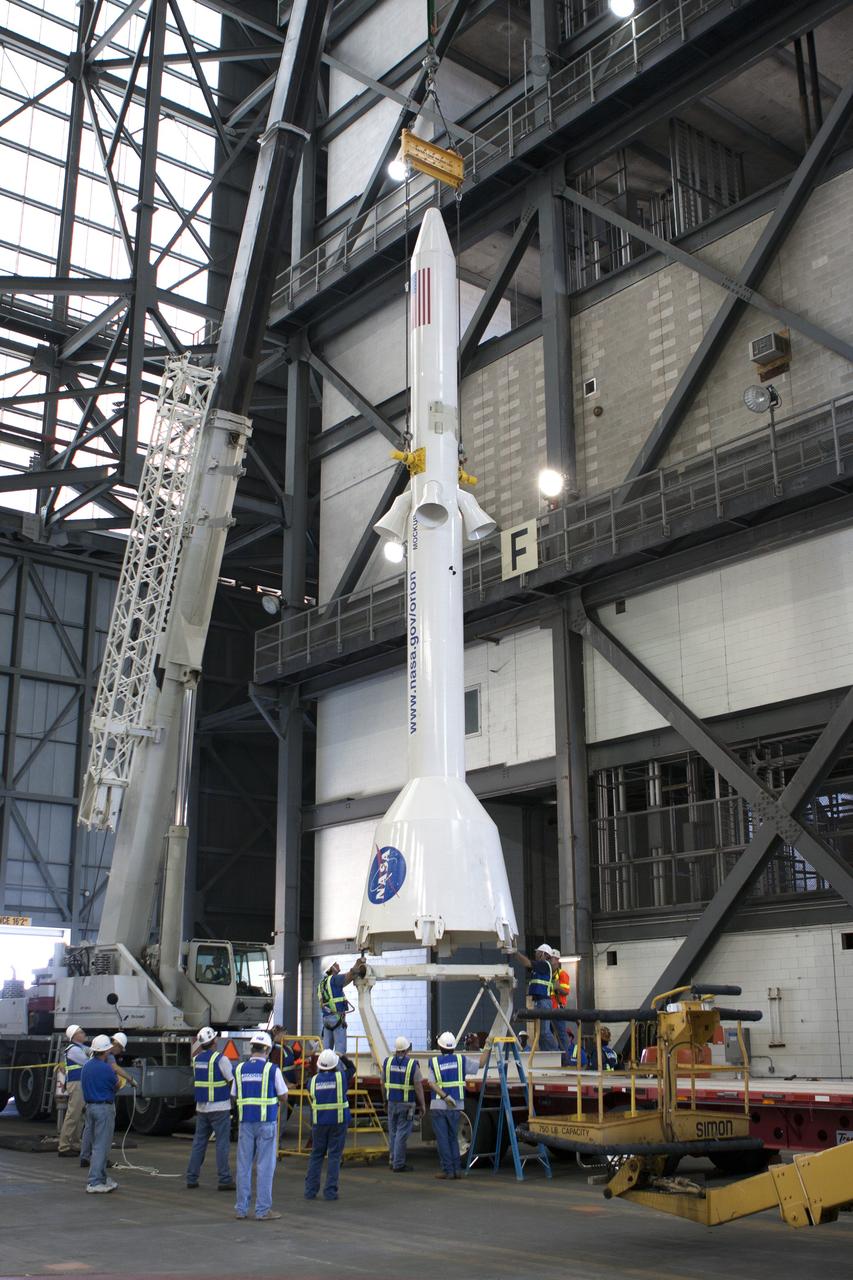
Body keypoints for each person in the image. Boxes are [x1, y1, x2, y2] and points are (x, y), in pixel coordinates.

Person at [232, 1030, 288, 1221]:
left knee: (243, 1166)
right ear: (268, 1049)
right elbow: (283, 1095)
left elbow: (234, 1094)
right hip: (266, 1124)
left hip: (245, 1122)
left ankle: (241, 1209)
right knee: (265, 1167)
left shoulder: (239, 1069)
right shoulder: (272, 1070)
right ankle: (263, 1210)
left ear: (252, 1048)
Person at [428, 1031, 489, 1180]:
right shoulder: (461, 1061)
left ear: (440, 1047)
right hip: (456, 1105)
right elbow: (481, 1063)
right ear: (454, 1047)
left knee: (442, 1139)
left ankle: (448, 1171)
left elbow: (431, 1083)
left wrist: (444, 1096)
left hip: (439, 1105)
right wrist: (488, 1044)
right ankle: (456, 1170)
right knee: (453, 1138)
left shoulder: (434, 1062)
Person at [185, 1026, 235, 1192]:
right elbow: (231, 1081)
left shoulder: (197, 1059)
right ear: (214, 1041)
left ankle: (191, 1178)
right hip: (220, 1107)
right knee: (222, 1144)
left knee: (199, 1143)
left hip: (202, 1107)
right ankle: (224, 1179)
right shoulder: (221, 1059)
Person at [304, 1048, 354, 1202]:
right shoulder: (341, 1078)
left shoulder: (312, 1082)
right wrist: (342, 1057)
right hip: (338, 1123)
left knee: (316, 1155)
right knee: (334, 1157)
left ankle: (310, 1191)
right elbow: (352, 1069)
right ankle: (330, 1192)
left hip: (319, 1124)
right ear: (335, 1064)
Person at [80, 1031, 133, 1167]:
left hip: (90, 1104)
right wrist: (129, 1079)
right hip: (103, 1105)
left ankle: (85, 1157)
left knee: (89, 1130)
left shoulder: (87, 1066)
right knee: (102, 1138)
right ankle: (99, 1166)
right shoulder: (107, 1065)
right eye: (119, 1048)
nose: (116, 1051)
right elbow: (115, 1083)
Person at [80, 1034, 119, 1193]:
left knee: (95, 1141)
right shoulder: (106, 1069)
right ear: (105, 1051)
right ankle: (95, 1181)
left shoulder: (86, 1066)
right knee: (101, 1146)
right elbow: (116, 1085)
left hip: (90, 1107)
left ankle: (101, 1178)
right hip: (104, 1108)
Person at [381, 1035, 425, 1173]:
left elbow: (382, 1083)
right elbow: (418, 1086)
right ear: (407, 1049)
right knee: (402, 1134)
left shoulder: (387, 1063)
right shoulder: (412, 1064)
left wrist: (384, 1100)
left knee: (393, 1132)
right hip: (406, 1105)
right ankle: (398, 1164)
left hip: (392, 1103)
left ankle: (392, 1159)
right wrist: (422, 1104)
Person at [509, 944, 559, 1051]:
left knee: (545, 1032)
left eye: (537, 952)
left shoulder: (545, 965)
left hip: (544, 1001)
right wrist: (515, 955)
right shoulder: (539, 968)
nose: (535, 954)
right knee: (540, 1033)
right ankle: (546, 1055)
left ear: (544, 954)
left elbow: (527, 962)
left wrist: (516, 952)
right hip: (539, 1001)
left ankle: (557, 1054)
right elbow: (526, 963)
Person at [317, 958, 366, 1053]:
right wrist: (357, 964)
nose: (338, 965)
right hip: (337, 1019)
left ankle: (326, 1067)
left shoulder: (321, 985)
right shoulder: (334, 979)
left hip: (326, 1021)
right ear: (332, 968)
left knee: (326, 1051)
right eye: (336, 964)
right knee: (340, 1051)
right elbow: (349, 976)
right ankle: (340, 1068)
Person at [58, 1024, 89, 1157]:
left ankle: (76, 1143)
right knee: (73, 1114)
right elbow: (88, 1062)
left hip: (81, 1083)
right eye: (81, 1032)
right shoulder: (73, 1050)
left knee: (80, 1115)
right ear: (74, 1036)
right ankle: (64, 1146)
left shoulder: (81, 1048)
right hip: (76, 1084)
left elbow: (92, 1051)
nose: (84, 1034)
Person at [547, 948, 575, 1066]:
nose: (550, 961)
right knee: (547, 1034)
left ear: (557, 960)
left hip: (558, 1008)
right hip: (548, 1009)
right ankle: (554, 1059)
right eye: (549, 958)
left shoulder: (562, 974)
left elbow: (566, 991)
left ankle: (565, 1061)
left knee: (562, 1035)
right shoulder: (548, 974)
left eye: (552, 958)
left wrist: (557, 987)